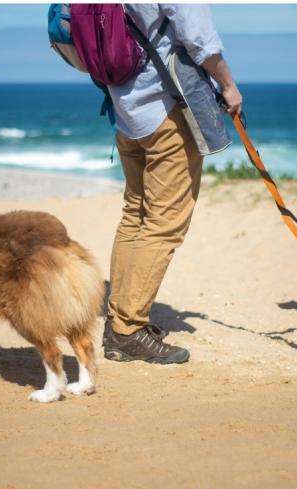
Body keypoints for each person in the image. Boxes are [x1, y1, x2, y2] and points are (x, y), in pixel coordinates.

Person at [102, 4, 242, 364]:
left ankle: (118, 320)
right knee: (163, 224)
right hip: (166, 111)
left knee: (136, 215)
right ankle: (127, 330)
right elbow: (200, 40)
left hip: (125, 111)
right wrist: (228, 86)